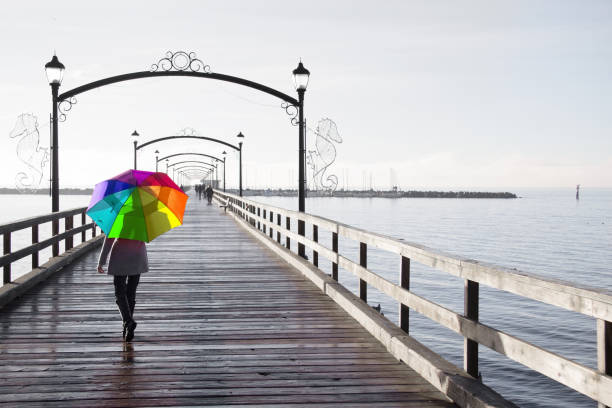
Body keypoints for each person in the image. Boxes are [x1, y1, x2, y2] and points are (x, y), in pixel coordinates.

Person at [97, 237, 148, 341]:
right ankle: (128, 327)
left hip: (120, 255)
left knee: (120, 292)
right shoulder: (142, 220)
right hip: (138, 256)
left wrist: (101, 261)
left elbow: (109, 240)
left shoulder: (118, 220)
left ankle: (128, 322)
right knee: (131, 292)